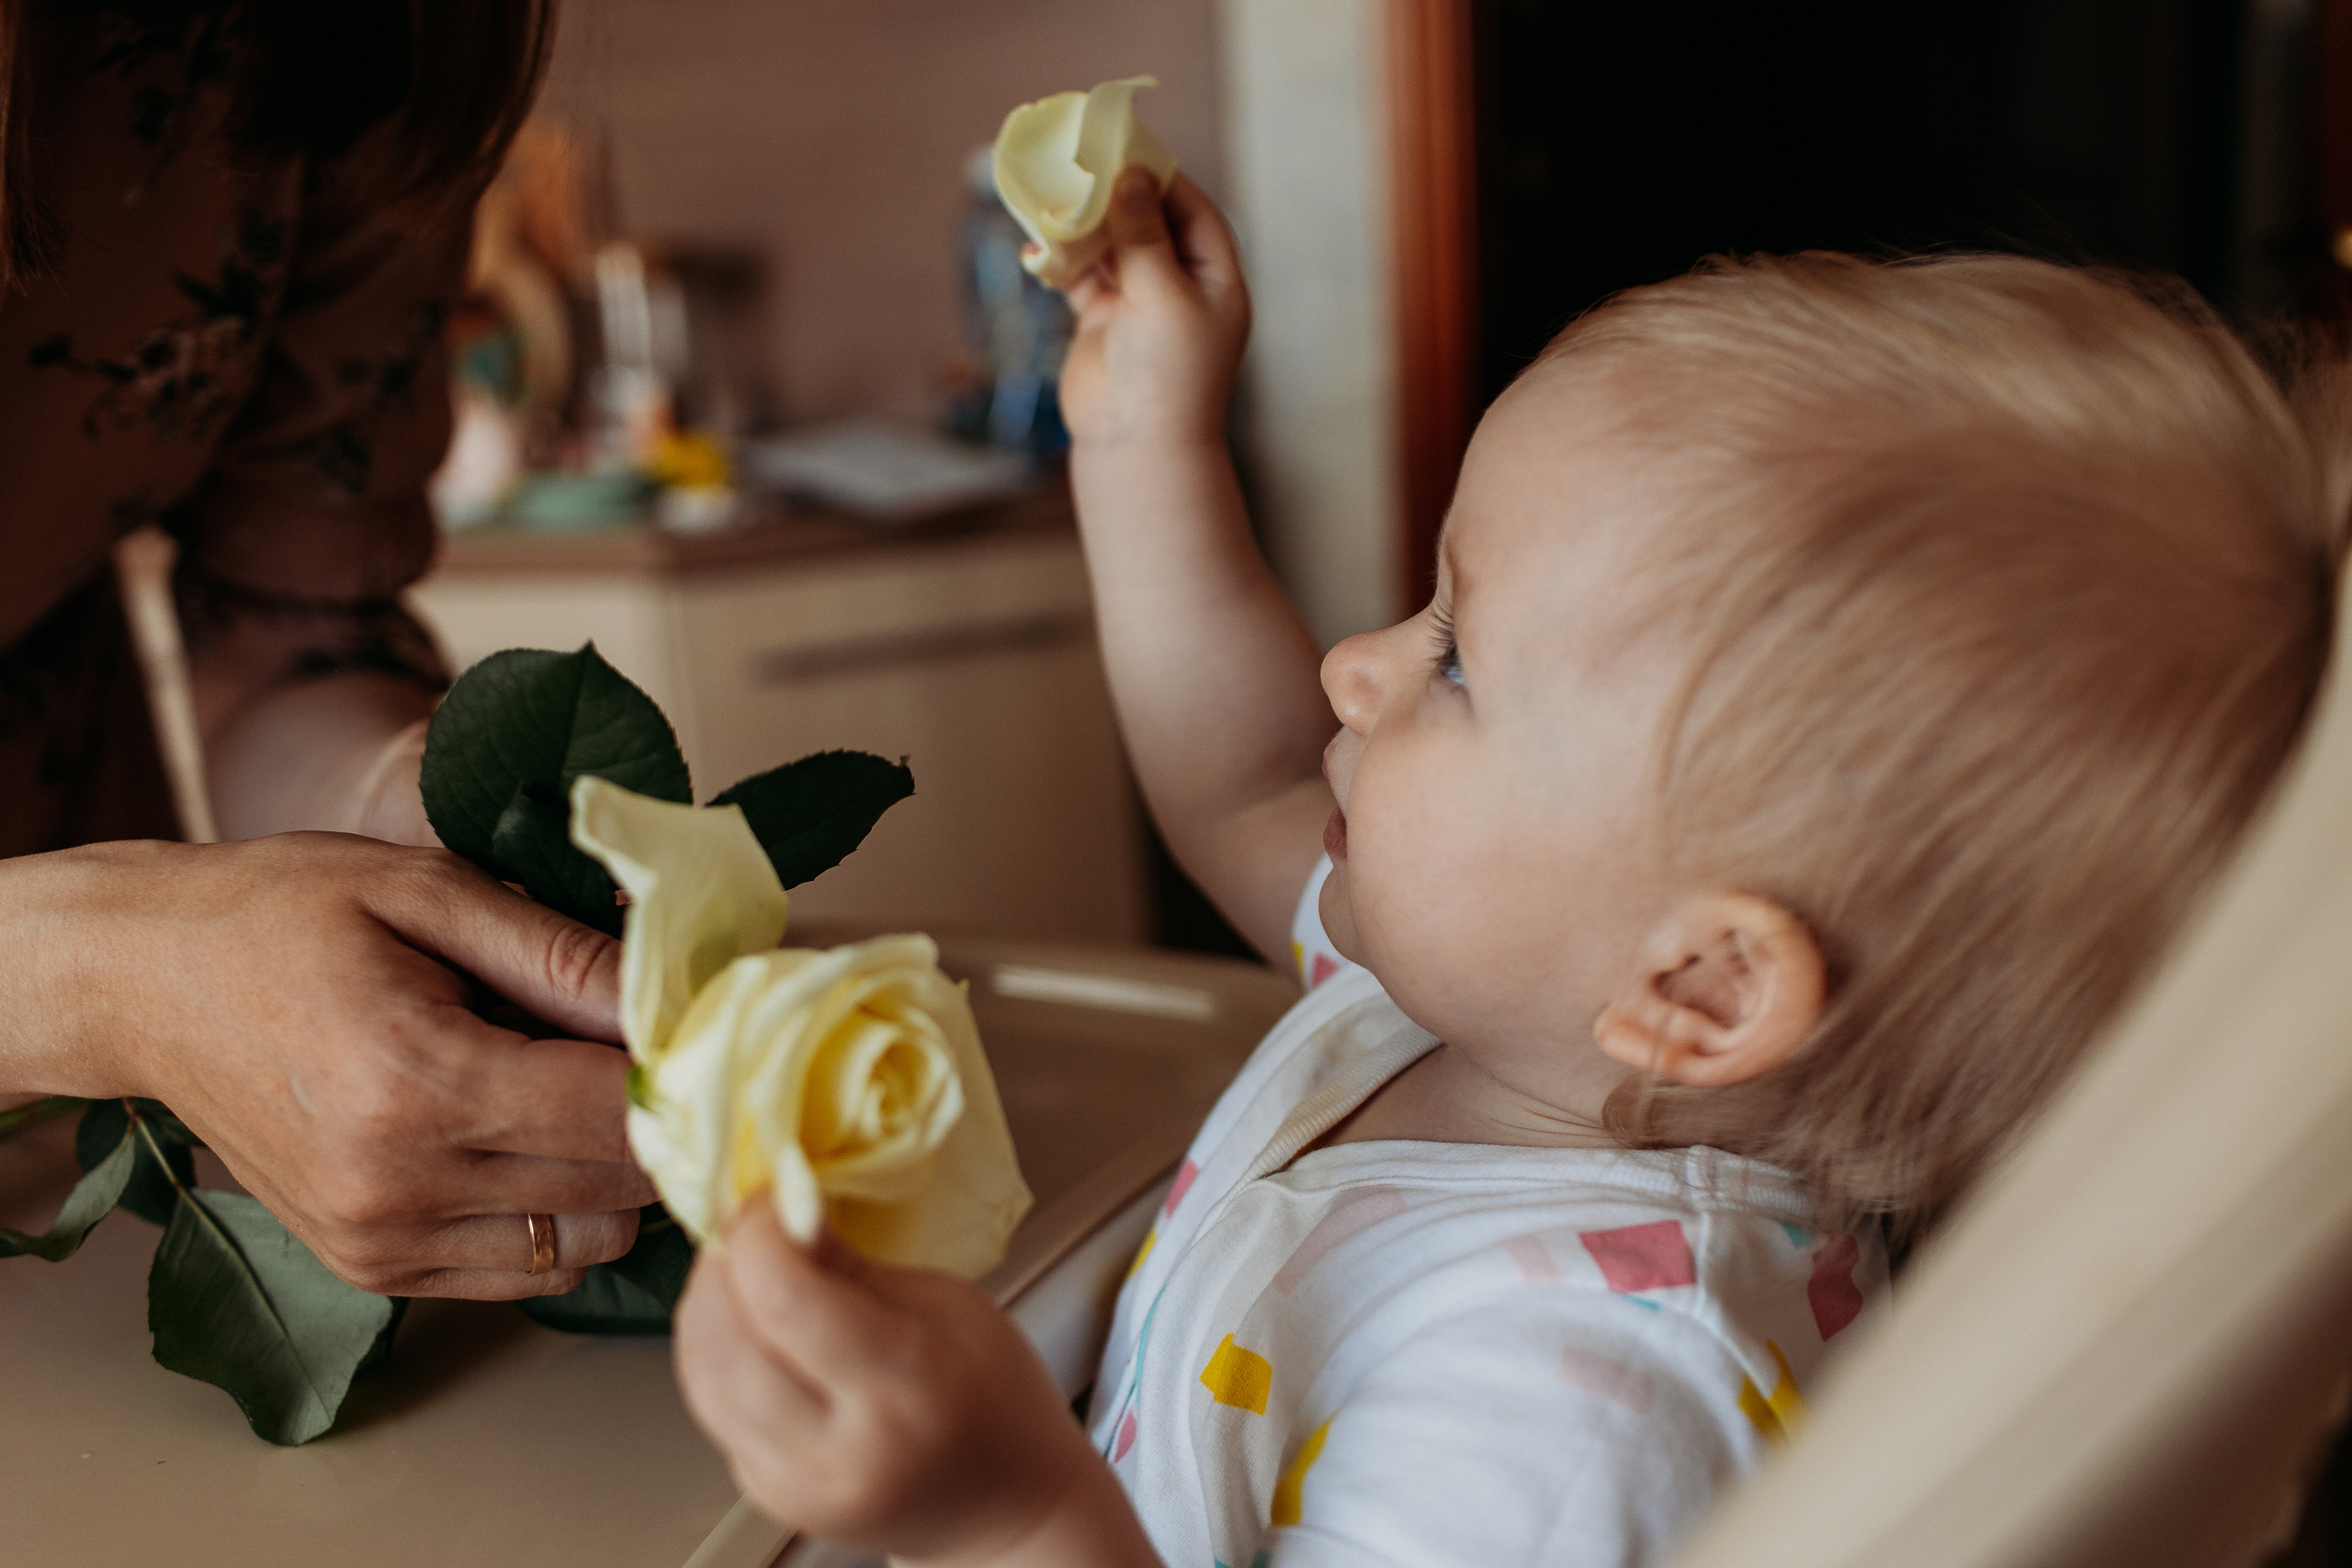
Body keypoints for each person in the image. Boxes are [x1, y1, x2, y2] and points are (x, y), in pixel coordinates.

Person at [669, 169, 2343, 1567]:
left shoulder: (1581, 1403)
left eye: (1458, 659)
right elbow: (1250, 776)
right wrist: (1146, 440)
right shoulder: (1499, 1013)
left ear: (1700, 986)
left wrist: (1000, 1517)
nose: (1357, 666)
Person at [0, 0, 654, 1298]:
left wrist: (415, 830)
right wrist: (106, 977)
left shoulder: (348, 29)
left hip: (57, 1164)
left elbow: (293, 636)